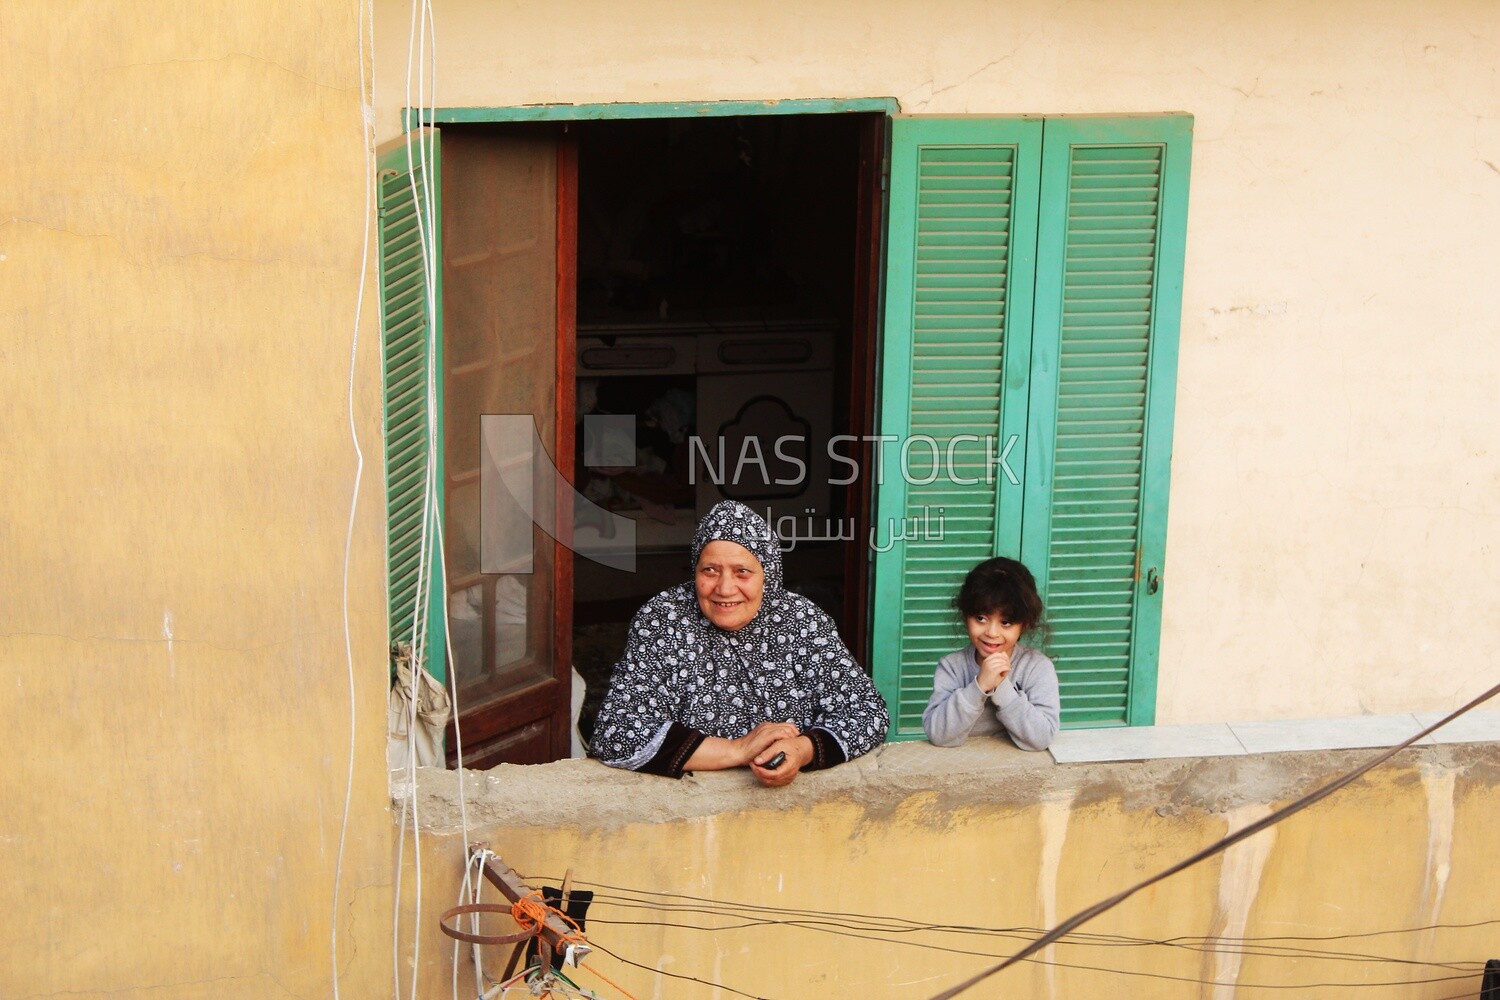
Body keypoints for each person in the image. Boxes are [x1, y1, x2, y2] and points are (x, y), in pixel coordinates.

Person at [591, 501, 889, 784]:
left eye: (742, 572)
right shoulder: (664, 618)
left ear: (767, 575)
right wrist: (738, 749)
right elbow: (616, 731)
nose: (724, 588)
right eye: (710, 570)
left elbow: (867, 711)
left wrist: (801, 750)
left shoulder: (802, 621)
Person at [922, 557, 1060, 752]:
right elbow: (938, 734)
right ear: (965, 616)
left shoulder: (1037, 667)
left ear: (1025, 624)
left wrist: (1001, 686)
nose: (992, 633)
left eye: (1006, 622)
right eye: (981, 618)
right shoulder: (952, 666)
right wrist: (979, 686)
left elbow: (1042, 738)